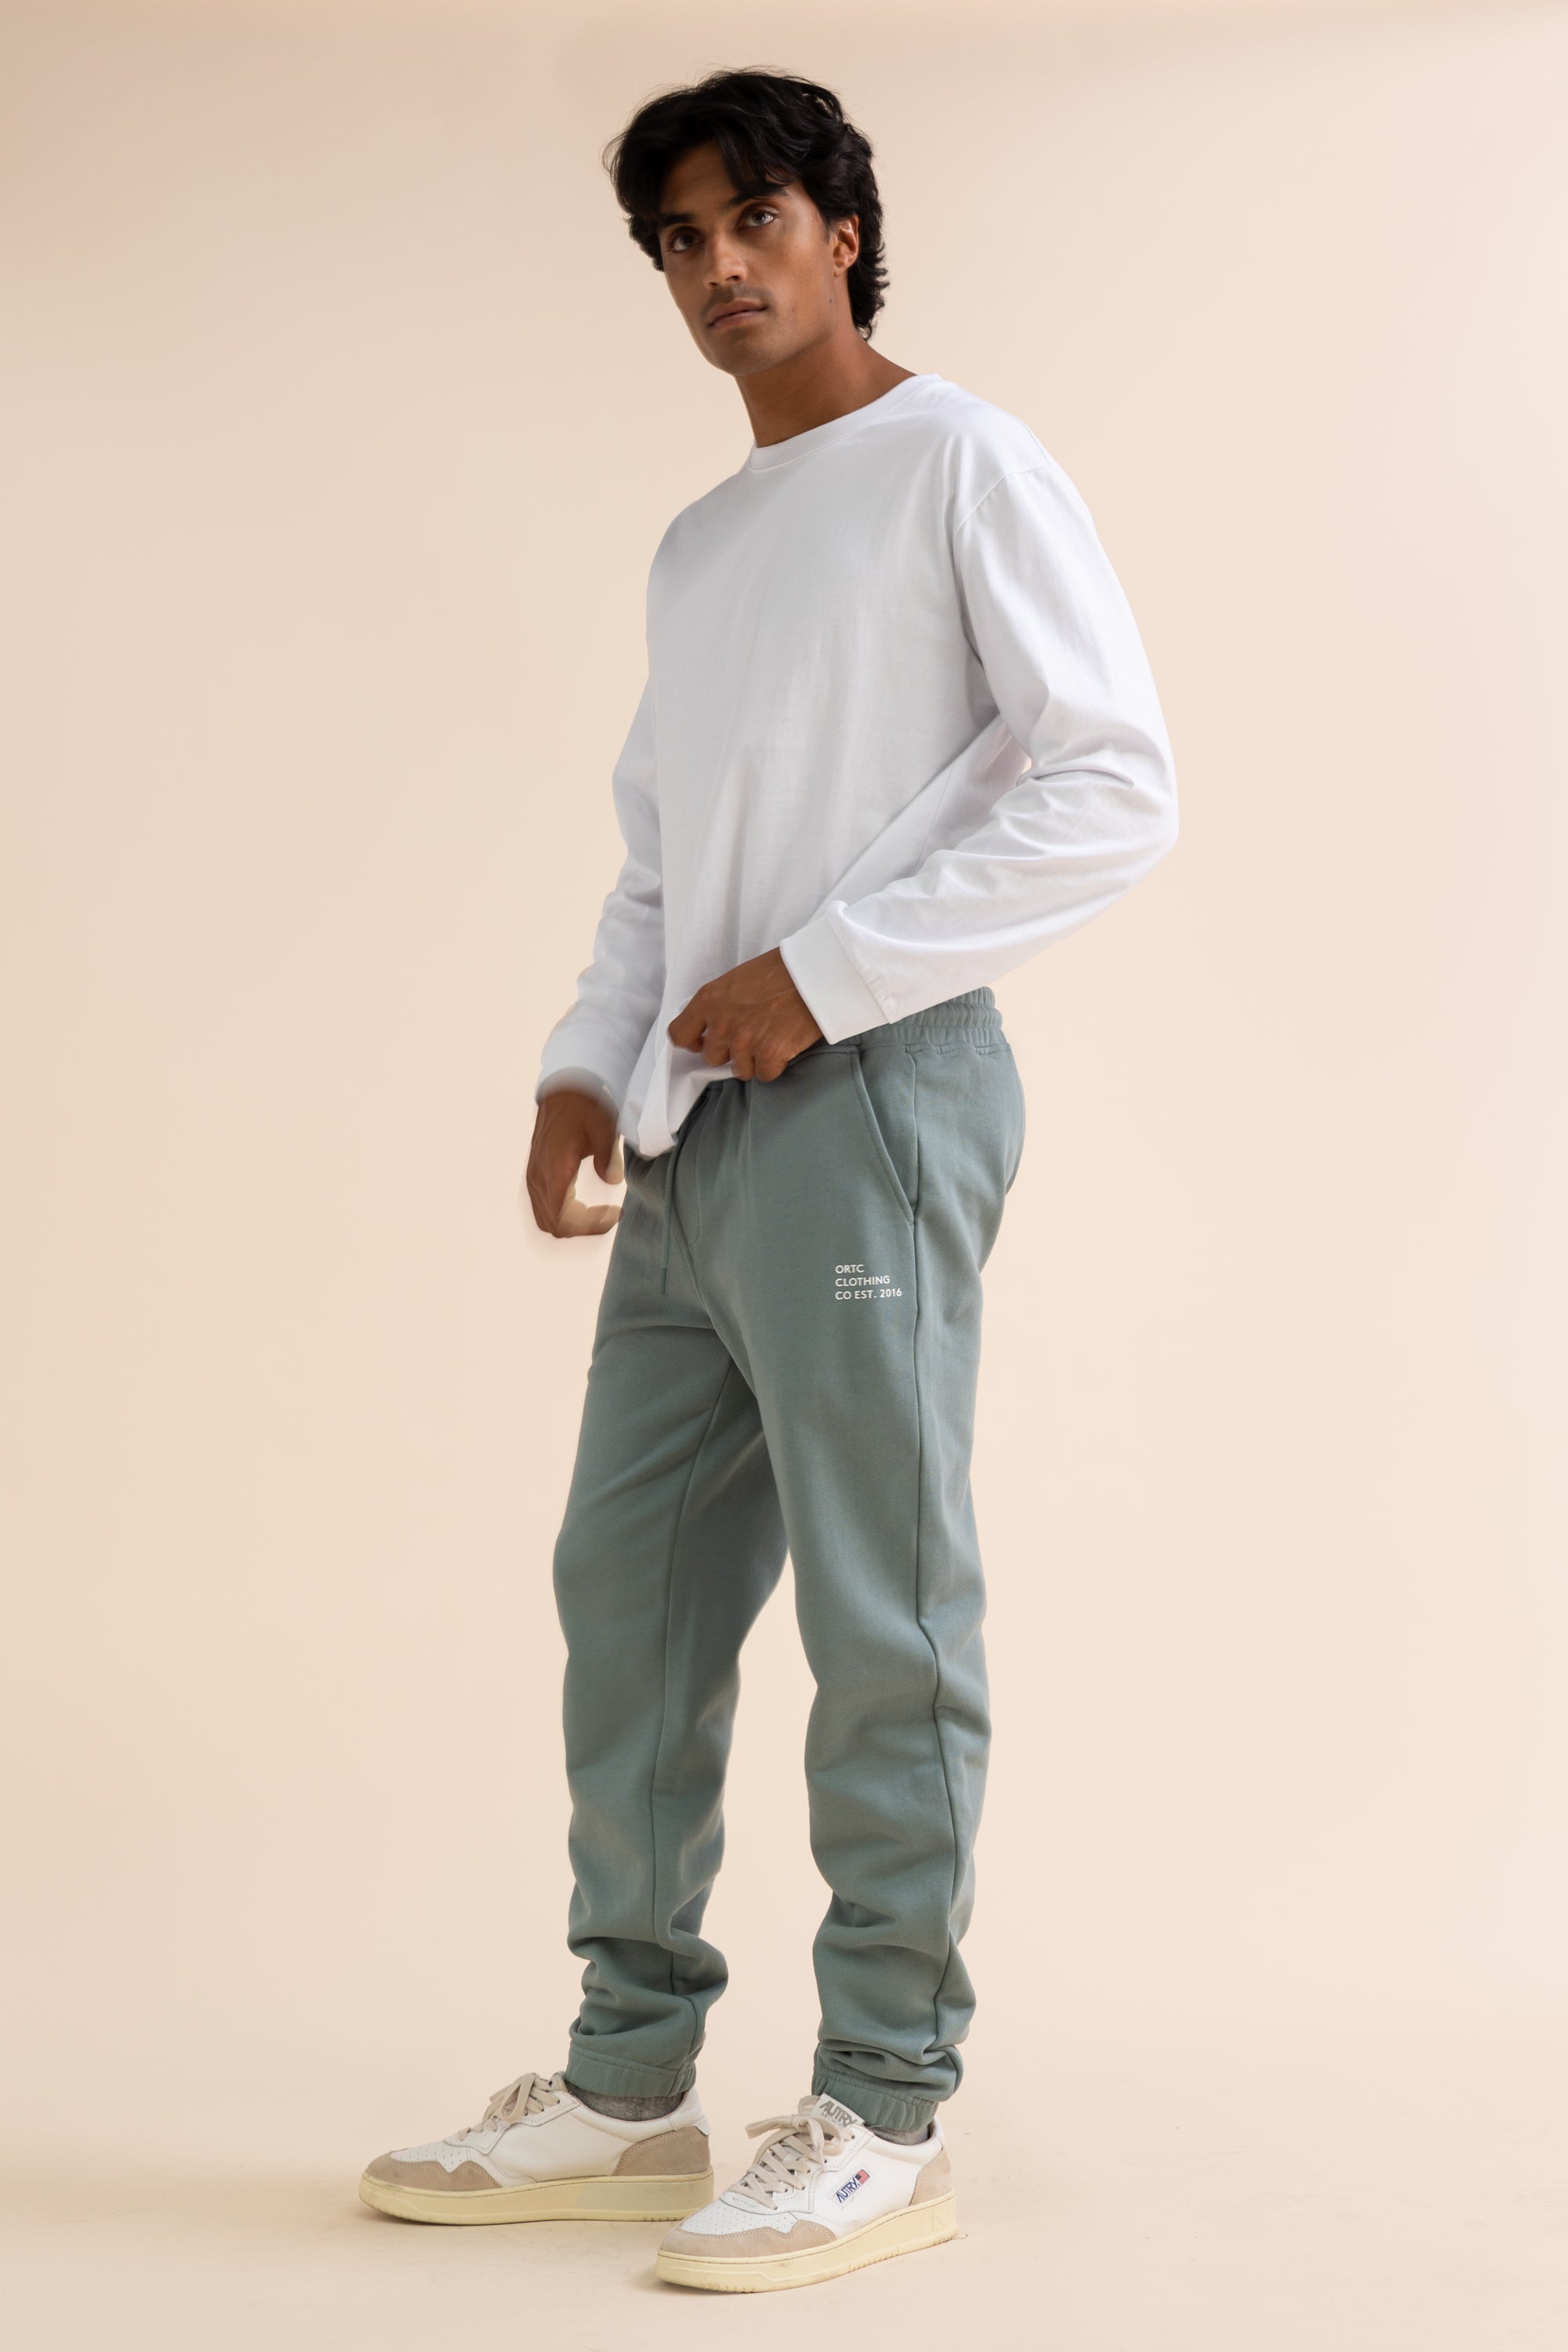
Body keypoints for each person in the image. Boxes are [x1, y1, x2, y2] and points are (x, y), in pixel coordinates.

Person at [361, 67, 1177, 2294]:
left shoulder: (965, 462)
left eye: (756, 220)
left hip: (877, 1091)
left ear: (842, 229)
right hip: (696, 1124)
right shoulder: (707, 543)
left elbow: (1115, 782)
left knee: (879, 1606)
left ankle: (886, 2107)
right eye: (680, 239)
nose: (719, 265)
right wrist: (583, 1063)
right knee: (625, 1593)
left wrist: (825, 975)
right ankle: (632, 2086)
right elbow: (664, 858)